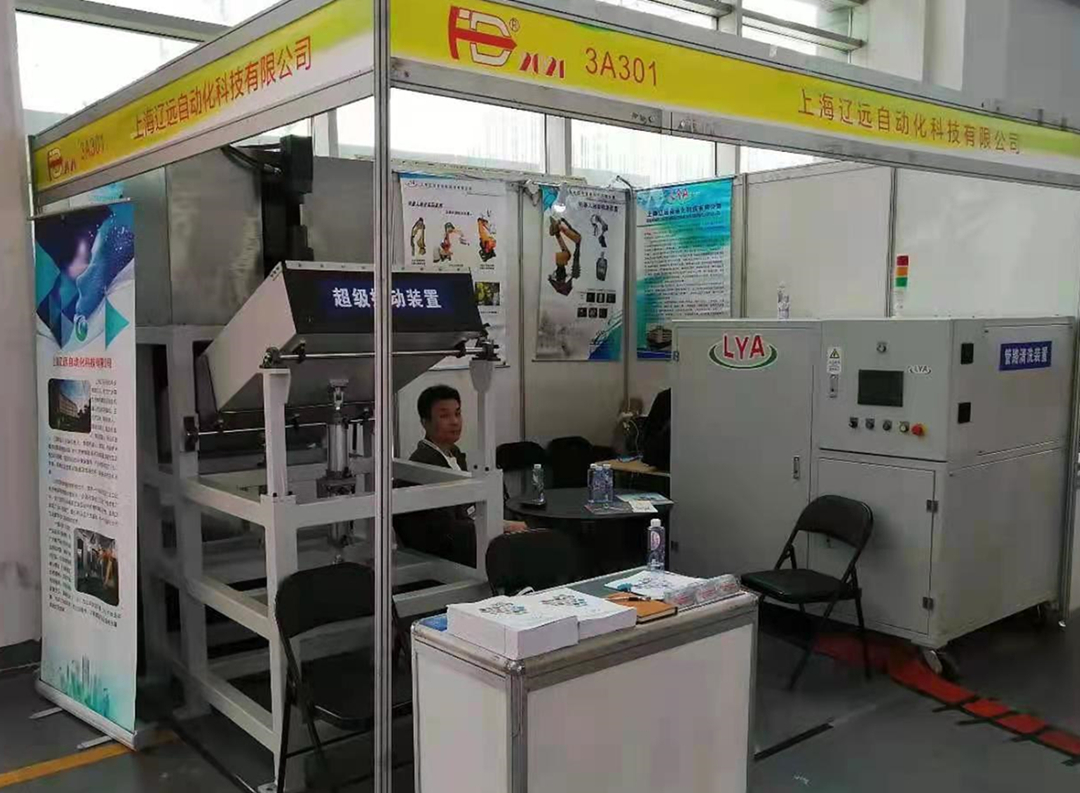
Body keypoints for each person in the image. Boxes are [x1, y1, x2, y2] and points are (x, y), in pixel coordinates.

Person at [395, 385, 526, 567]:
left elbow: (468, 511)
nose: (455, 422)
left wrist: (502, 524)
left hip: (466, 536)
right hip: (445, 550)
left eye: (457, 413)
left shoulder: (454, 453)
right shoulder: (425, 463)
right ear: (425, 422)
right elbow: (446, 528)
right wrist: (503, 528)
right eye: (444, 416)